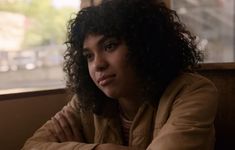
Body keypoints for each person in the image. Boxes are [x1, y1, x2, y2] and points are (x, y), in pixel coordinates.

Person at [21, 0, 218, 149]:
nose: (97, 64)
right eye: (88, 56)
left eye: (109, 46)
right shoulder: (86, 103)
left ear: (144, 45)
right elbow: (31, 146)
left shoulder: (194, 92)